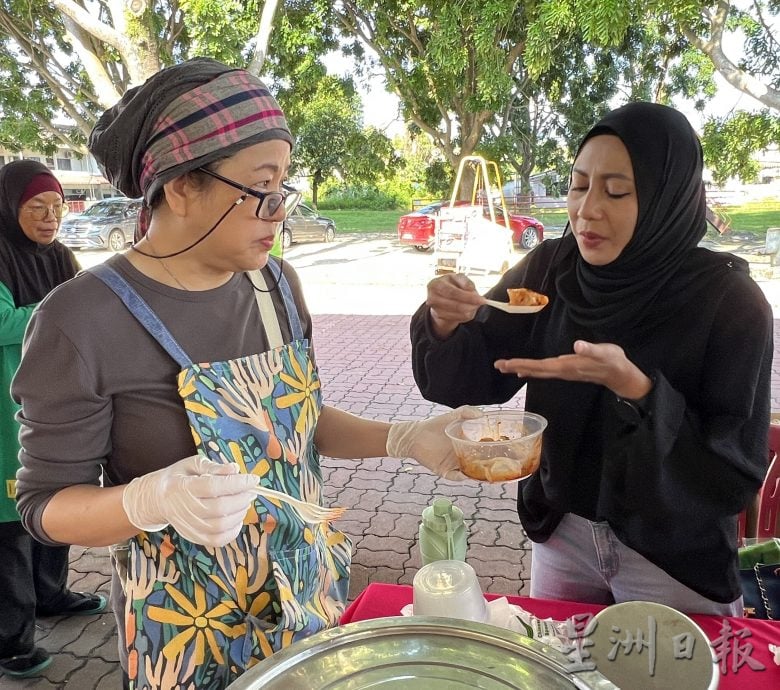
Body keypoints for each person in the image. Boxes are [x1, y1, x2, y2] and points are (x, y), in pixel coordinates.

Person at [11, 58, 474, 690]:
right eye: (261, 188)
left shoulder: (275, 286)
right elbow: (46, 506)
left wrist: (405, 438)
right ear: (180, 187)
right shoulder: (81, 319)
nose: (278, 211)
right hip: (183, 627)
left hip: (305, 598)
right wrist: (149, 499)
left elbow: (295, 424)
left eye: (285, 188)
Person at [409, 102, 773, 616]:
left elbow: (733, 468)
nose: (586, 210)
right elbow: (475, 372)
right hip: (564, 534)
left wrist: (639, 392)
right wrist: (446, 321)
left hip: (673, 554)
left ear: (667, 197)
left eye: (617, 190)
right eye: (579, 185)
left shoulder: (729, 303)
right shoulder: (551, 269)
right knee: (564, 669)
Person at [0, 161, 107, 679]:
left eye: (57, 207)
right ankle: (9, 642)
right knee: (9, 525)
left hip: (57, 402)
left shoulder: (61, 256)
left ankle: (51, 594)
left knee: (58, 499)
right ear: (10, 207)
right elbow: (3, 322)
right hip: (6, 409)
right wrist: (62, 307)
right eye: (36, 207)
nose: (50, 218)